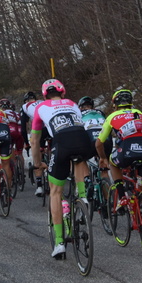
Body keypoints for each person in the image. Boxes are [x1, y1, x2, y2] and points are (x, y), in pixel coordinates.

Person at [30, 79, 96, 259]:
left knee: (55, 192)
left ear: (45, 94)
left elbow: (35, 141)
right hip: (84, 141)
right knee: (79, 158)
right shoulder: (73, 104)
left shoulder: (40, 107)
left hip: (61, 144)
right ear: (63, 92)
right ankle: (83, 196)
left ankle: (59, 242)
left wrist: (37, 163)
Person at [95, 89, 142, 207]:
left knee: (113, 163)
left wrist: (103, 158)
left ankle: (122, 196)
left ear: (115, 104)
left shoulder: (112, 116)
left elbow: (99, 143)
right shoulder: (139, 112)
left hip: (127, 150)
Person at [20, 91, 48, 197]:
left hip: (40, 129)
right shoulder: (43, 101)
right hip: (52, 127)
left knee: (37, 152)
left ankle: (39, 186)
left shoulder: (25, 106)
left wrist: (26, 144)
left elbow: (23, 128)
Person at [0, 98, 25, 177]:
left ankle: (14, 171)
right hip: (20, 132)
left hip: (10, 132)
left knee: (10, 151)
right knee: (20, 153)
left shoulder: (1, 113)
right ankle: (22, 171)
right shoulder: (16, 113)